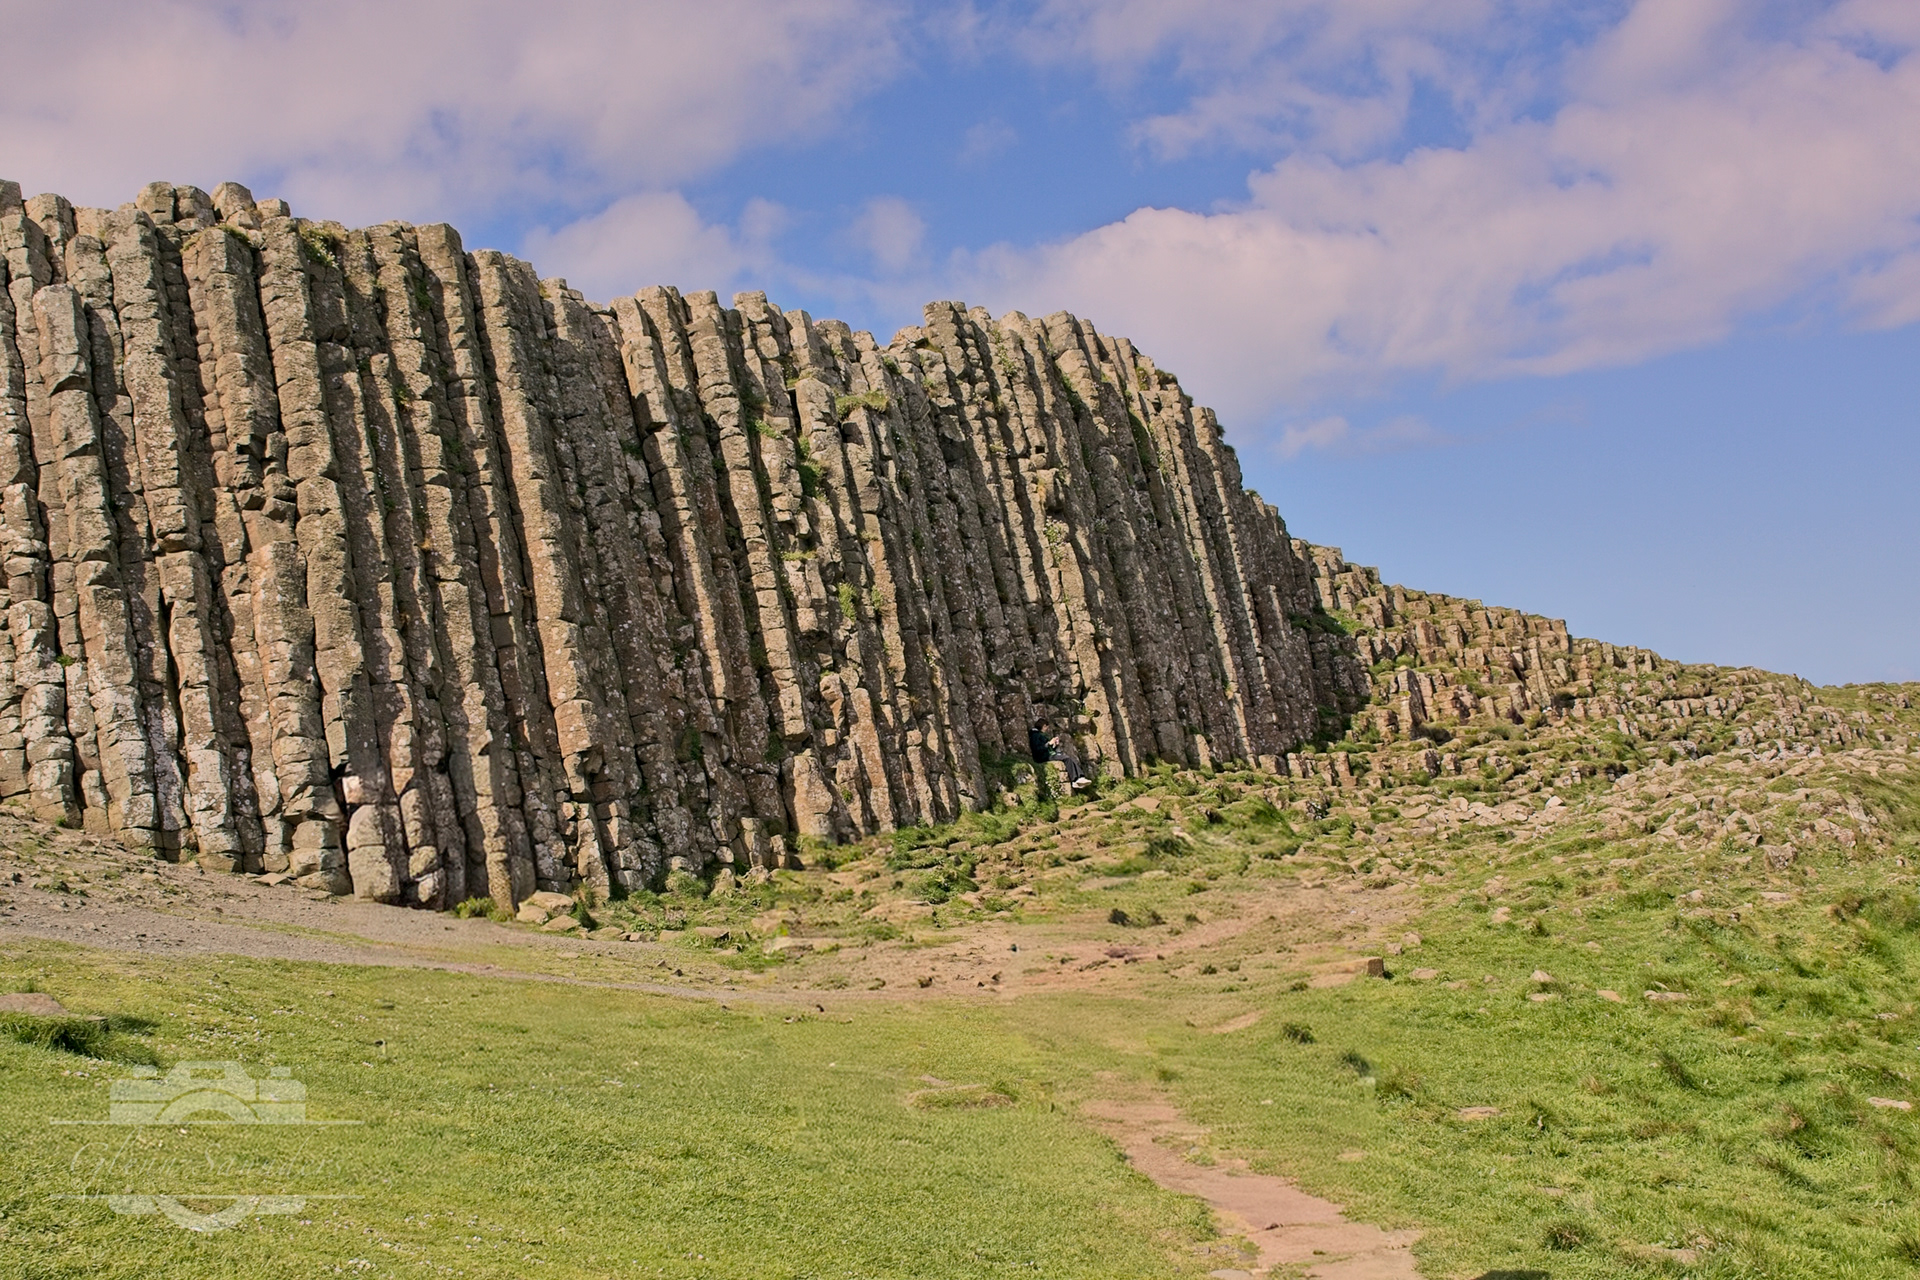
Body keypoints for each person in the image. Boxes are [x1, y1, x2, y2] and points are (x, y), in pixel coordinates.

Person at [1028, 719, 1091, 791]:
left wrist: (1054, 745)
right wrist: (1049, 743)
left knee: (1067, 757)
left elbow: (1047, 748)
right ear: (1044, 726)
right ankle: (1075, 779)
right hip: (1042, 757)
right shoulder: (1035, 735)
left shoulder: (1040, 735)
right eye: (1046, 728)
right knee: (1066, 758)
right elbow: (1037, 749)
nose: (1047, 730)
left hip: (1047, 754)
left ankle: (1079, 777)